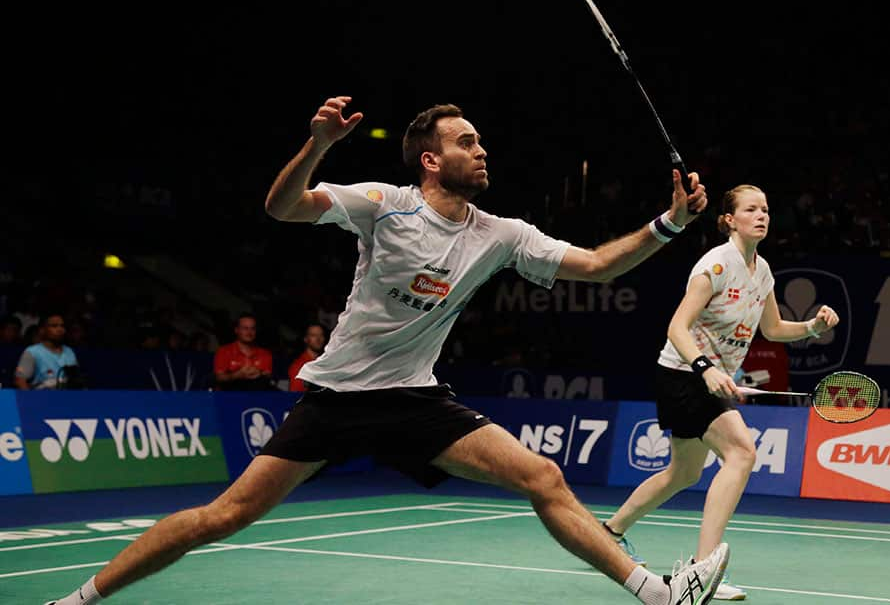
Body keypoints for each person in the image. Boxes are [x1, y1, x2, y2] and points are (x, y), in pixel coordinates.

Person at [46, 96, 729, 605]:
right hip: (339, 398)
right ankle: (78, 600)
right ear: (432, 160)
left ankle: (659, 594)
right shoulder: (385, 204)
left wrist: (668, 223)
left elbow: (595, 266)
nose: (482, 149)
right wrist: (315, 145)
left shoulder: (501, 233)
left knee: (542, 477)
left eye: (481, 140)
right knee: (224, 517)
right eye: (467, 142)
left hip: (414, 398)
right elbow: (285, 208)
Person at [600, 184, 840, 601]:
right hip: (683, 373)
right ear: (729, 219)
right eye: (751, 209)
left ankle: (609, 533)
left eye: (765, 209)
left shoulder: (760, 271)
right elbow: (676, 327)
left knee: (684, 473)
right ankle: (700, 568)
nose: (762, 215)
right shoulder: (715, 265)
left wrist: (813, 328)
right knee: (742, 452)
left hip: (709, 377)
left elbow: (773, 329)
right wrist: (704, 367)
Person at [13, 312, 80, 390]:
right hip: (42, 398)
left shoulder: (69, 351)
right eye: (54, 326)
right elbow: (20, 381)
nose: (60, 329)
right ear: (42, 330)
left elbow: (76, 380)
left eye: (62, 326)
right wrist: (31, 400)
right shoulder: (32, 351)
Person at [212, 313, 274, 391]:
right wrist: (236, 375)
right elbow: (219, 378)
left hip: (257, 396)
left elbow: (268, 377)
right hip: (230, 396)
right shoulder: (224, 351)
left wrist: (259, 373)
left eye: (253, 328)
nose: (249, 332)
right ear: (236, 330)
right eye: (245, 328)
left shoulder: (265, 354)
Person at [287, 323, 326, 392]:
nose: (318, 339)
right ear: (305, 339)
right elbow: (295, 397)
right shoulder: (299, 366)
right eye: (313, 335)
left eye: (321, 335)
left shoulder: (327, 362)